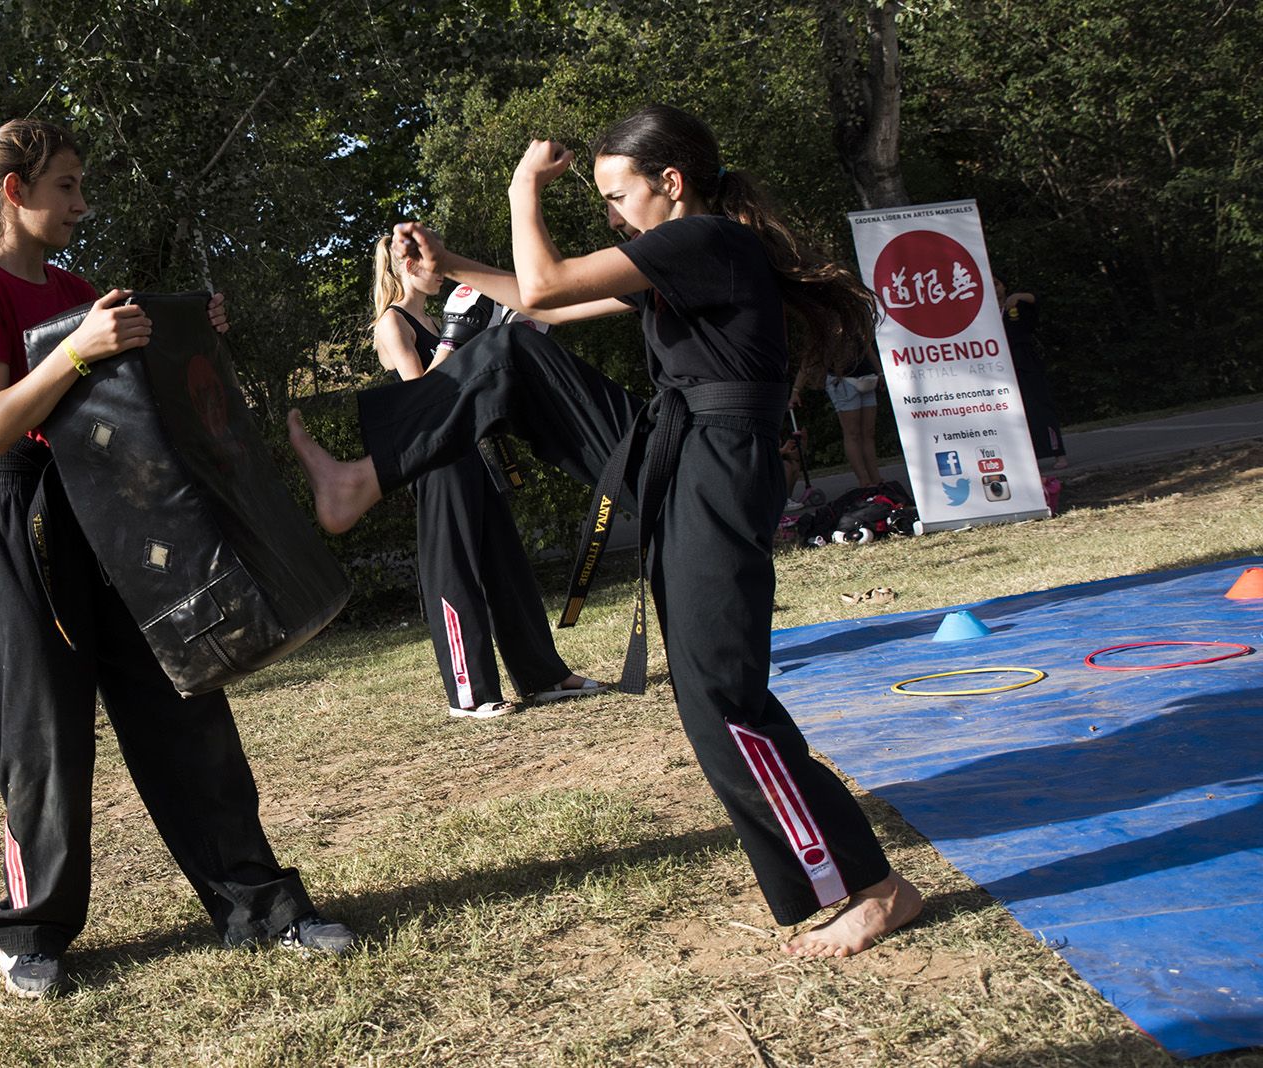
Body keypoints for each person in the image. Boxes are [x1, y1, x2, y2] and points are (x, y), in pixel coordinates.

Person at [288, 105, 922, 957]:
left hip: (716, 469)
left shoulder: (707, 243)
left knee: (721, 700)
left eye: (619, 195)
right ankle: (364, 478)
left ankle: (876, 887)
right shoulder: (684, 254)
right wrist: (456, 267)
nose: (614, 215)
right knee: (512, 355)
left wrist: (523, 189)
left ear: (672, 182)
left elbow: (546, 286)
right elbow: (538, 304)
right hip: (671, 445)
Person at [0, 118, 353, 998]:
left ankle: (261, 907)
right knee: (43, 733)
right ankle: (30, 932)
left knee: (183, 706)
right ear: (15, 192)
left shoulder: (78, 287)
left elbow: (138, 388)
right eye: (68, 187)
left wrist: (194, 328)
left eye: (82, 187)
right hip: (24, 519)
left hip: (109, 510)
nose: (82, 204)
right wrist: (82, 348)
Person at [369, 236, 607, 718]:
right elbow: (422, 402)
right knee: (455, 567)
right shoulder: (393, 323)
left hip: (471, 448)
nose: (440, 271)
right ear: (407, 264)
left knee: (506, 564)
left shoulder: (434, 320)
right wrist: (457, 340)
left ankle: (544, 676)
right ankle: (470, 692)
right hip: (432, 459)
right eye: (430, 264)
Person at [792, 338, 884, 490]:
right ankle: (865, 481)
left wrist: (879, 371)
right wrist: (796, 390)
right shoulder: (825, 324)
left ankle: (877, 479)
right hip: (842, 380)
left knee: (869, 432)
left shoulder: (855, 320)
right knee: (852, 433)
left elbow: (867, 347)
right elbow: (809, 359)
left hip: (867, 377)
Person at [995, 278, 1067, 469]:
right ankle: (1029, 457)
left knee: (1041, 407)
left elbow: (1037, 299)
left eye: (997, 284)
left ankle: (1058, 453)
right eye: (990, 285)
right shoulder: (985, 312)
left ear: (1004, 286)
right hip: (1001, 366)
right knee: (1016, 413)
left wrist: (1018, 296)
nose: (995, 289)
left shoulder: (1017, 304)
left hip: (1026, 361)